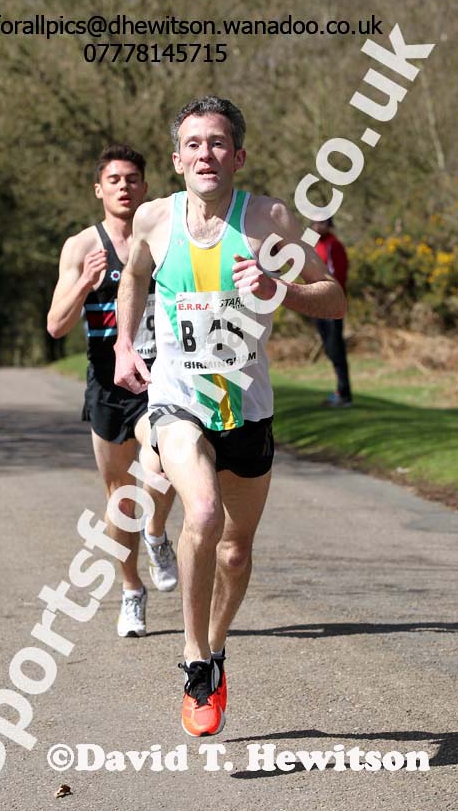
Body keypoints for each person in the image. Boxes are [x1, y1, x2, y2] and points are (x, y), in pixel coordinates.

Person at [114, 97, 346, 736]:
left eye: (218, 143)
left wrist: (283, 290)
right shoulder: (157, 218)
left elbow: (335, 298)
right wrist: (126, 343)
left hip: (246, 404)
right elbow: (133, 273)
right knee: (205, 513)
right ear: (176, 157)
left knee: (237, 553)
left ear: (238, 156)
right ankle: (193, 660)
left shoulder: (269, 218)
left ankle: (215, 651)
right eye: (193, 144)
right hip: (177, 397)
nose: (205, 155)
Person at [47, 144, 177, 638]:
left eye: (133, 179)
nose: (125, 186)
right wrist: (85, 281)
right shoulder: (82, 246)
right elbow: (56, 326)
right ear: (99, 189)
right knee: (120, 495)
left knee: (162, 460)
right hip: (106, 384)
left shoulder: (164, 238)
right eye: (115, 180)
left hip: (160, 377)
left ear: (145, 187)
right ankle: (130, 590)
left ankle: (157, 533)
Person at [311, 218, 353, 407]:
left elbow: (339, 274)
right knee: (329, 349)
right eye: (314, 223)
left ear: (329, 225)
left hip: (331, 306)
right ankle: (340, 391)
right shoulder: (314, 244)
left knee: (336, 349)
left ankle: (344, 394)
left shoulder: (333, 245)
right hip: (317, 305)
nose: (317, 227)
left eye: (321, 223)